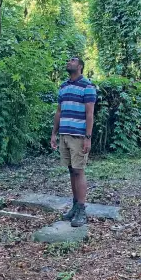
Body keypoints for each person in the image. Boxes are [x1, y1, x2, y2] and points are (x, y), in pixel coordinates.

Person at [50, 57, 96, 227]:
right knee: (71, 171)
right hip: (64, 134)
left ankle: (82, 210)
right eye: (67, 60)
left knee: (79, 171)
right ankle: (75, 206)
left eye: (73, 60)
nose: (68, 62)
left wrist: (88, 138)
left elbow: (90, 114)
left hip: (79, 135)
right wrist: (54, 133)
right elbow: (59, 111)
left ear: (81, 66)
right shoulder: (63, 86)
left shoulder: (87, 86)